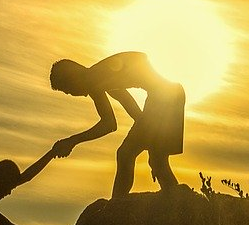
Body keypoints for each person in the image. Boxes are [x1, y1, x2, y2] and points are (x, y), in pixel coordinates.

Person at [49, 52, 186, 197]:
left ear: (73, 78)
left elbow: (109, 124)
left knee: (126, 154)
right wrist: (149, 138)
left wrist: (72, 141)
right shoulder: (98, 76)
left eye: (69, 90)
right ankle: (176, 203)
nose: (73, 94)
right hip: (170, 95)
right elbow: (127, 102)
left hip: (164, 99)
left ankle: (117, 204)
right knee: (157, 161)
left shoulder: (93, 80)